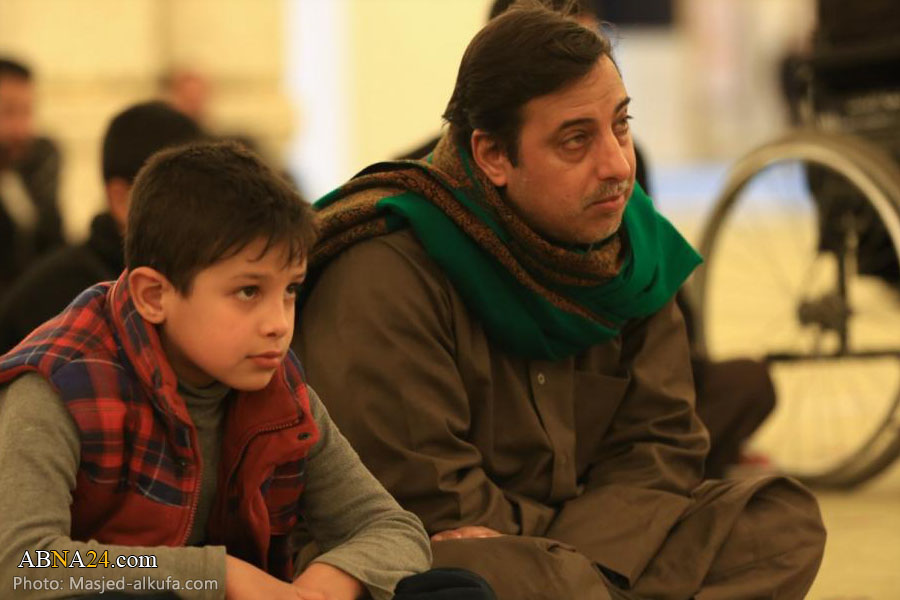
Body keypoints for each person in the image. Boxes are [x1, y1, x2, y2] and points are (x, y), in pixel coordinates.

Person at [295, 4, 826, 599]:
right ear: (494, 156)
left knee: (780, 523)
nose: (618, 165)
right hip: (452, 553)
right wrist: (571, 561)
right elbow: (428, 495)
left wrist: (578, 562)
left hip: (577, 553)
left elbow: (664, 446)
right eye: (576, 141)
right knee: (463, 573)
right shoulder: (386, 269)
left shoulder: (628, 248)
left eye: (620, 125)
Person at [0, 142, 433, 600]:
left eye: (290, 290)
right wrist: (217, 574)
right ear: (153, 296)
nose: (278, 324)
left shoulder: (278, 386)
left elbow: (393, 529)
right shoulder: (61, 384)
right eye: (248, 292)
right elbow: (23, 564)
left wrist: (327, 584)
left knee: (451, 588)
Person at [0, 101, 204, 354]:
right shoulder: (60, 299)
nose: (203, 218)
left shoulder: (186, 276)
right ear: (122, 200)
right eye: (186, 199)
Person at [0, 57, 63, 294]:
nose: (20, 129)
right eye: (8, 112)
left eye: (26, 111)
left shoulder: (39, 160)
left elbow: (53, 245)